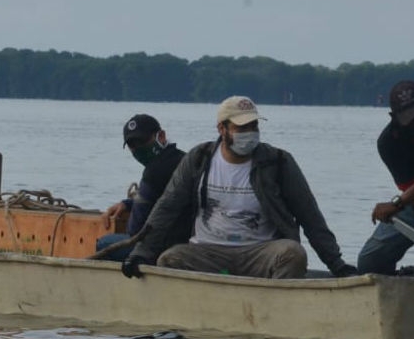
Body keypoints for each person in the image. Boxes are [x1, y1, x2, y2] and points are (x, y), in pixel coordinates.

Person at [122, 95, 357, 279]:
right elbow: (166, 209)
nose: (250, 134)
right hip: (208, 251)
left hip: (260, 251)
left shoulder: (279, 162)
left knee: (293, 253)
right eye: (241, 128)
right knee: (170, 259)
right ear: (222, 129)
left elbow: (311, 217)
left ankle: (276, 311)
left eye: (253, 126)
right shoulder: (198, 159)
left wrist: (336, 265)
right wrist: (141, 253)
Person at [358, 80, 414, 274]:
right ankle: (409, 280)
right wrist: (407, 202)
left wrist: (397, 203)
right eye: (410, 118)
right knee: (370, 263)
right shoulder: (389, 144)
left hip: (413, 200)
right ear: (394, 117)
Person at [95, 114, 185, 261]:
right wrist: (128, 204)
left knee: (104, 243)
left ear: (161, 136)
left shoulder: (154, 171)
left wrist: (135, 207)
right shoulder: (183, 159)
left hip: (164, 245)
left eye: (142, 141)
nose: (138, 148)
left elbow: (135, 230)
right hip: (185, 240)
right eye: (132, 145)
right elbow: (165, 199)